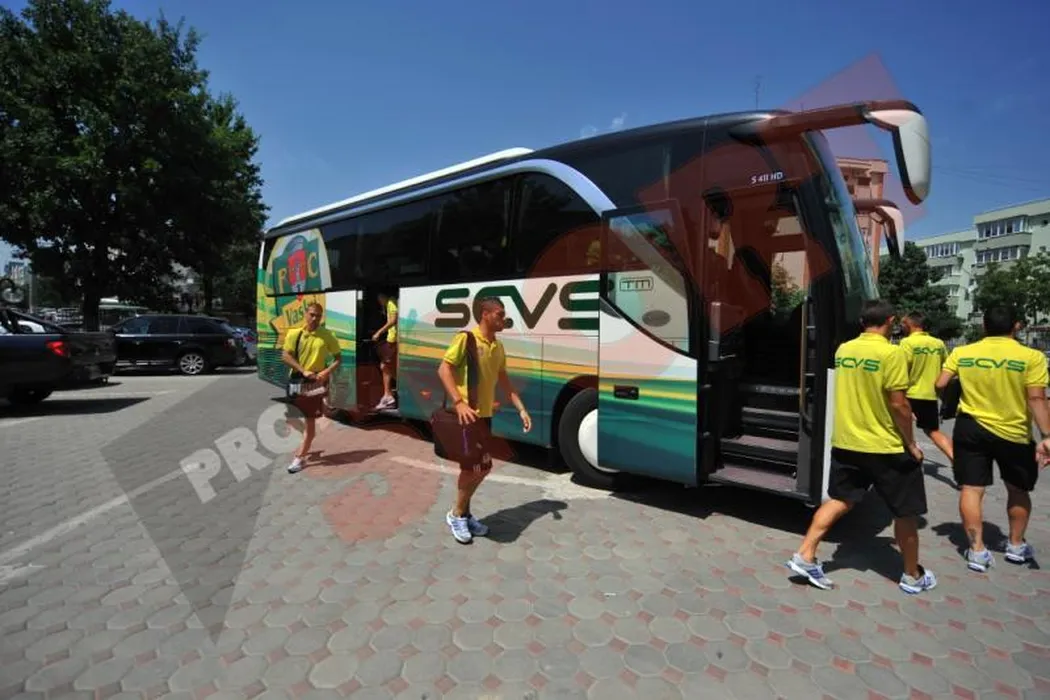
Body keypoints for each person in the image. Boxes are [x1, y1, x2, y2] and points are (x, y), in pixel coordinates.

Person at [786, 299, 937, 594]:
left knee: (839, 500)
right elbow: (899, 405)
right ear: (890, 321)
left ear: (861, 322)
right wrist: (911, 443)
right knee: (905, 512)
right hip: (886, 446)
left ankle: (805, 554)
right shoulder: (892, 354)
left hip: (847, 442)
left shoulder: (844, 350)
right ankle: (912, 575)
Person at [935, 305, 1050, 570]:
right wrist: (1046, 435)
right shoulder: (1031, 357)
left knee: (971, 489)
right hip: (1014, 433)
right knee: (1018, 490)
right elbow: (1036, 398)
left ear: (984, 326)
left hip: (970, 428)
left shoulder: (962, 352)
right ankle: (1016, 546)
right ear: (1016, 326)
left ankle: (976, 551)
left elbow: (940, 384)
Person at [437, 297, 532, 544]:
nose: (503, 319)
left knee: (479, 467)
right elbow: (444, 369)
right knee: (474, 467)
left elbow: (505, 382)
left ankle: (463, 514)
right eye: (499, 314)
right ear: (485, 314)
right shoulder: (466, 339)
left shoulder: (498, 347)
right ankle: (457, 514)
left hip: (485, 416)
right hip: (467, 416)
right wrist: (459, 402)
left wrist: (522, 410)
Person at [282, 302, 341, 474]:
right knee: (292, 418)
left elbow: (338, 358)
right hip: (296, 379)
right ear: (306, 314)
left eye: (318, 316)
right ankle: (308, 435)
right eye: (312, 314)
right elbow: (285, 356)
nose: (315, 318)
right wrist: (302, 370)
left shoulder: (327, 335)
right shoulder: (295, 334)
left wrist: (325, 372)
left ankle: (299, 458)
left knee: (310, 421)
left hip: (314, 382)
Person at [899, 311, 954, 463]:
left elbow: (901, 369)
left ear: (909, 324)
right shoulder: (938, 343)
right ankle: (955, 458)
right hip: (930, 395)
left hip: (910, 394)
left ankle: (907, 458)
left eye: (902, 324)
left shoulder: (907, 343)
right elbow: (947, 367)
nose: (901, 327)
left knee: (899, 429)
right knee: (933, 431)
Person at [371, 291, 399, 410]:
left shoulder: (391, 302)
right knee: (387, 366)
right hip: (392, 339)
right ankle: (389, 395)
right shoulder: (391, 303)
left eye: (379, 299)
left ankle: (388, 396)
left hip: (393, 340)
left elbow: (393, 320)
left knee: (384, 366)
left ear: (382, 296)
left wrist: (378, 332)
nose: (379, 302)